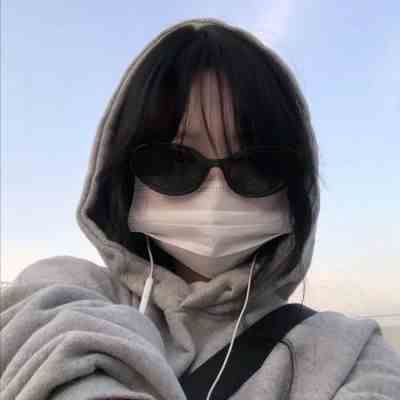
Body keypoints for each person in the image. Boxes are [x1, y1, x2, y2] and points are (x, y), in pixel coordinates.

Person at [1, 17, 399, 400]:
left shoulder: (348, 354)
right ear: (124, 177)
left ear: (295, 189)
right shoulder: (66, 290)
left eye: (254, 165)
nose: (216, 191)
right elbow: (52, 353)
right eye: (174, 161)